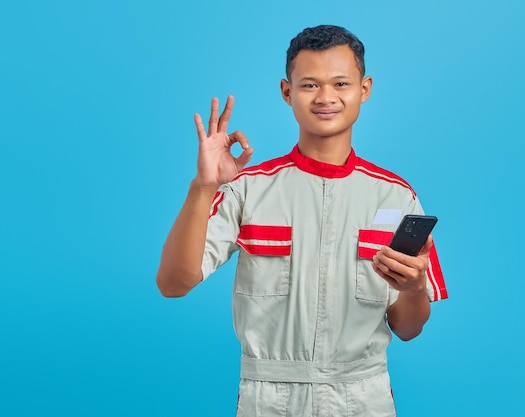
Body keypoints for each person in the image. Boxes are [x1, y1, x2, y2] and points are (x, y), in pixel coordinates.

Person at [157, 24, 448, 416]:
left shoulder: (396, 196)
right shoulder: (249, 189)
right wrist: (203, 187)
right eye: (310, 85)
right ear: (287, 92)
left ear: (364, 89)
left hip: (362, 397)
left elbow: (409, 329)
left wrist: (414, 289)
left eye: (341, 83)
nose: (326, 97)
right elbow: (173, 283)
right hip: (269, 399)